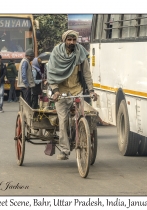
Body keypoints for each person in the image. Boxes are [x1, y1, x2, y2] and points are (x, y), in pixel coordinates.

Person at [47, 30, 98, 160]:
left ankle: (80, 136)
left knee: (80, 117)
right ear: (64, 40)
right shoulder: (56, 53)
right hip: (61, 92)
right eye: (69, 40)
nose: (72, 42)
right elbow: (51, 74)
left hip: (77, 90)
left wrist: (91, 91)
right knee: (63, 121)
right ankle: (64, 150)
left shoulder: (80, 53)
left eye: (74, 40)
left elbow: (87, 73)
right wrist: (55, 90)